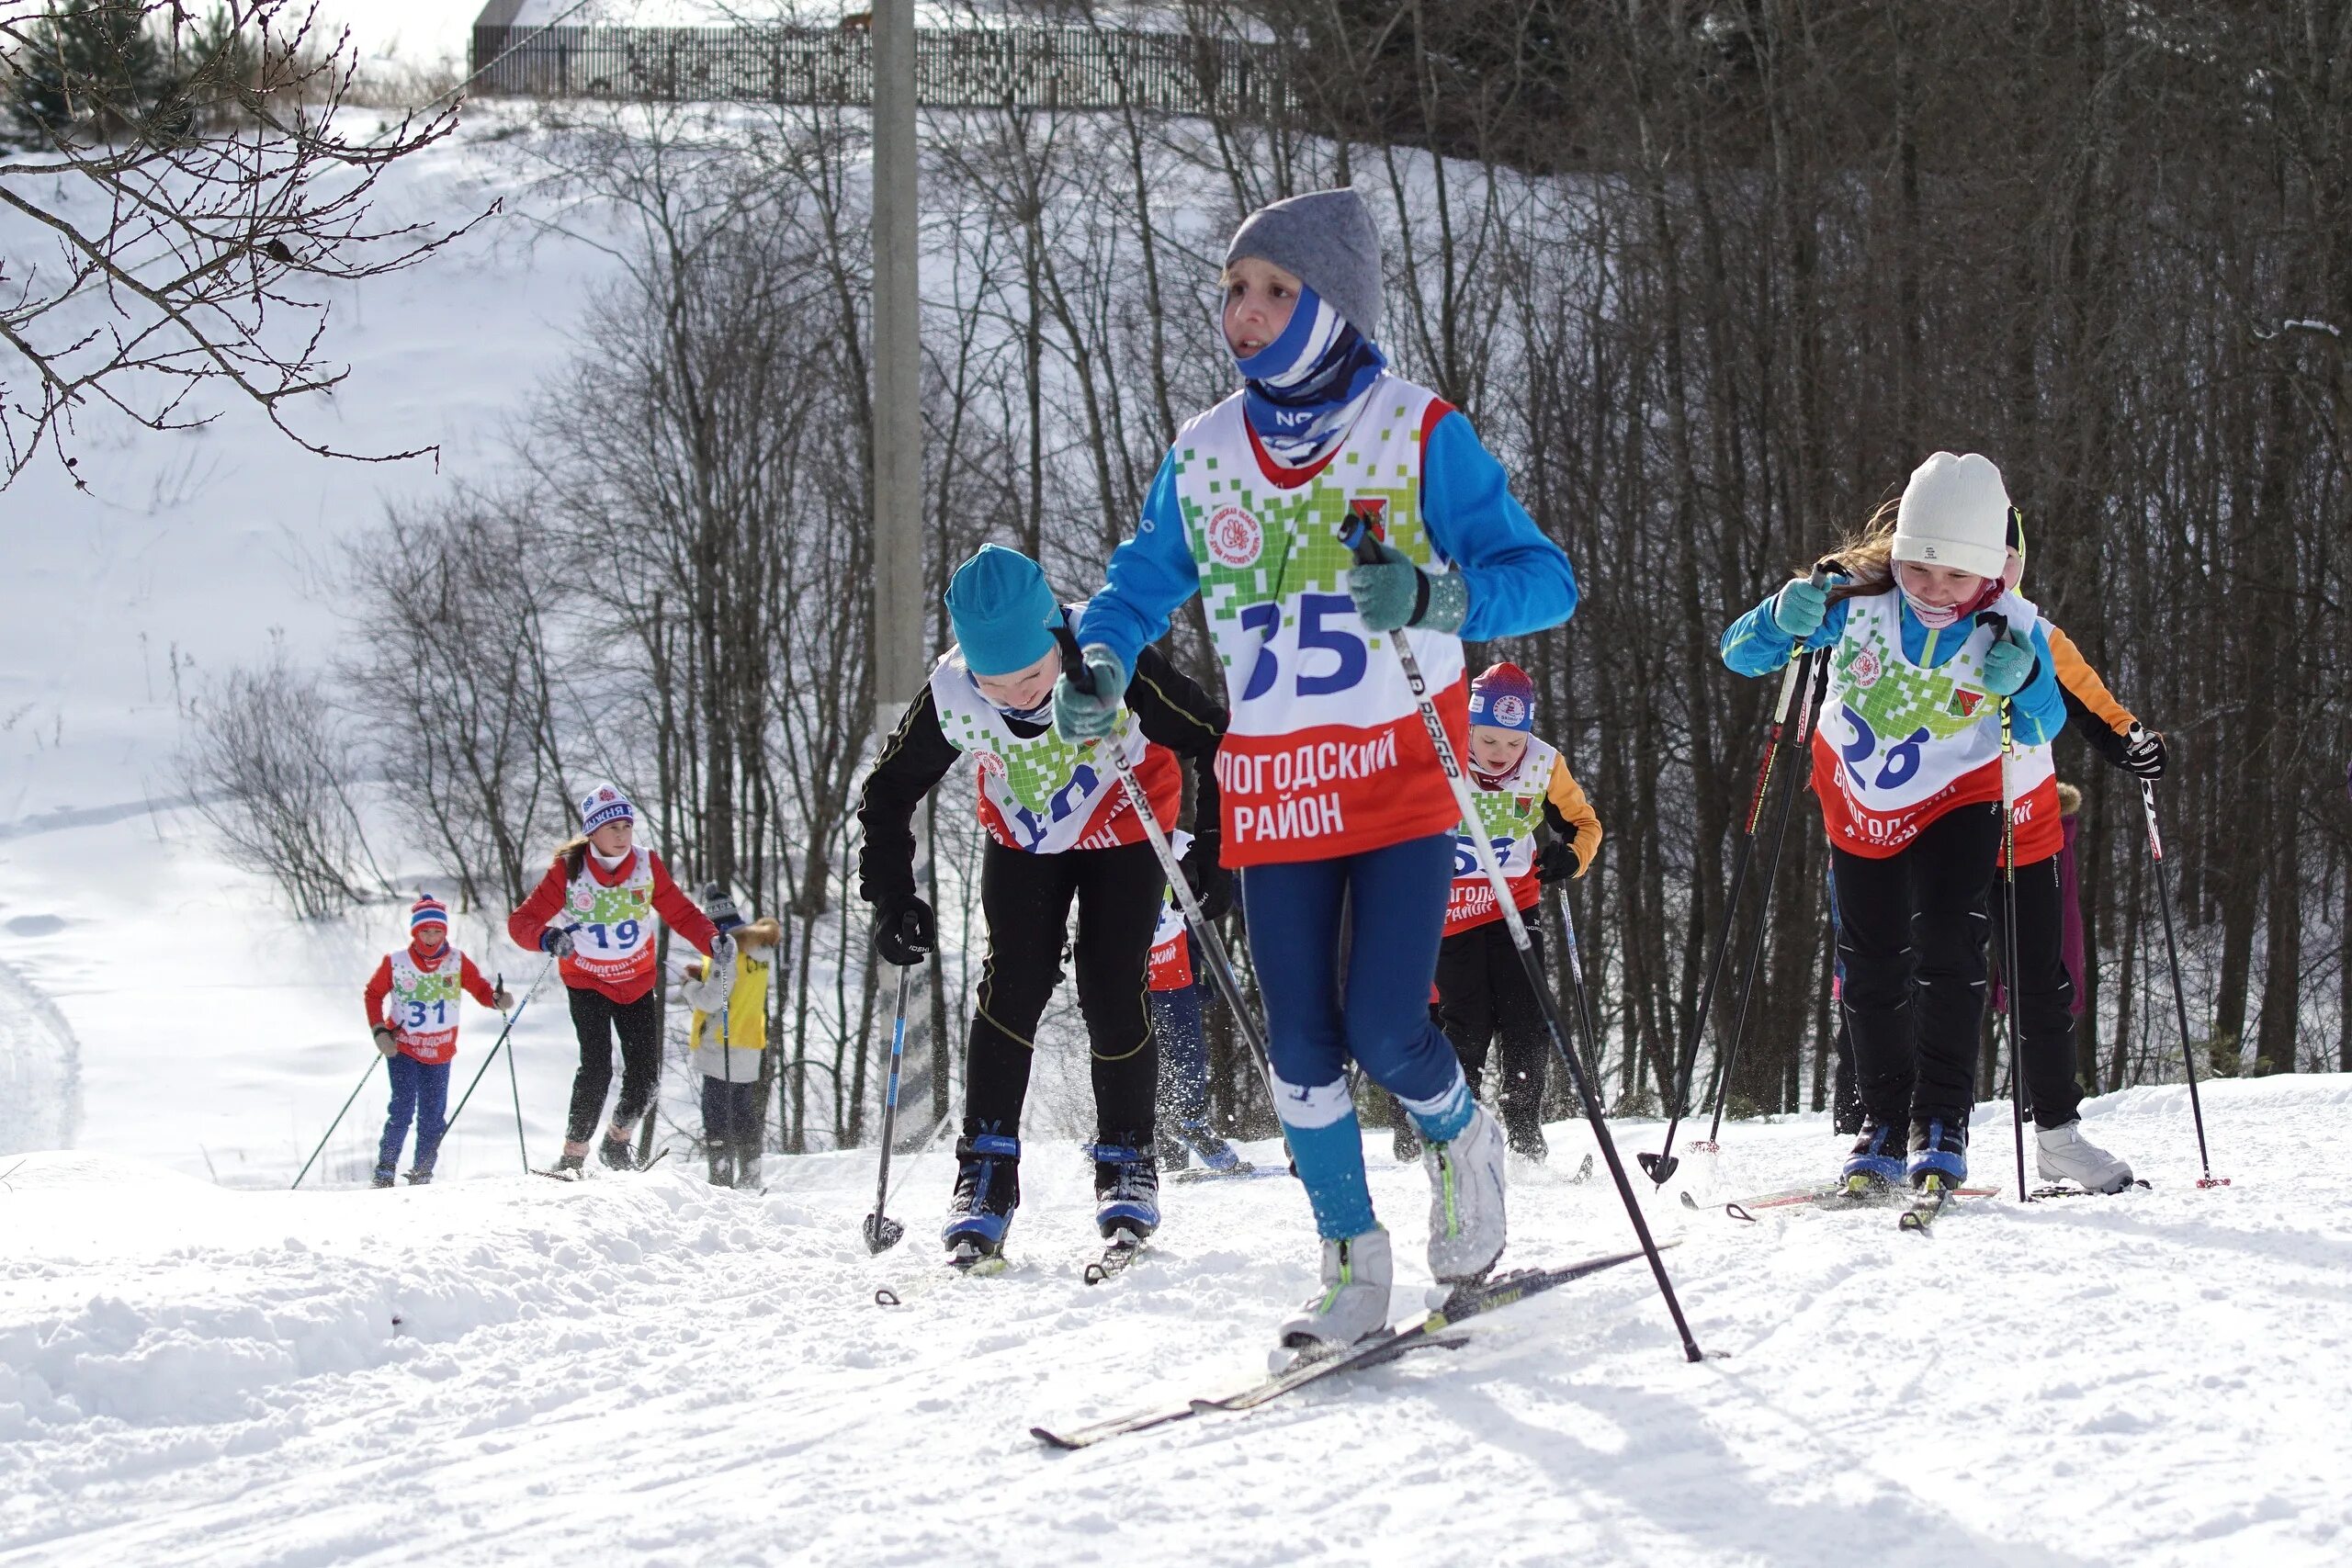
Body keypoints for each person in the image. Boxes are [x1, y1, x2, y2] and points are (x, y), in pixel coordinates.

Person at [1055, 186, 1577, 1359]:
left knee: (1389, 1028)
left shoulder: (1416, 430)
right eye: (1235, 288)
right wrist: (1097, 655)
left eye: (1275, 290)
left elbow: (1545, 579)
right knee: (1298, 1046)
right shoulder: (1203, 454)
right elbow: (1139, 582)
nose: (1244, 312)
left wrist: (1439, 596)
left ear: (1332, 304)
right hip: (1277, 788)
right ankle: (1350, 1257)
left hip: (1399, 774)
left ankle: (1463, 1142)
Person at [855, 544, 1229, 1266]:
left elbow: (1212, 734)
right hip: (1025, 837)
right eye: (996, 682)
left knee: (1112, 986)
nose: (1018, 694)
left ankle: (1126, 1160)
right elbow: (888, 791)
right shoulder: (954, 692)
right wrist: (891, 895)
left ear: (1056, 636)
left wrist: (1212, 847)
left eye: (1032, 675)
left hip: (1124, 824)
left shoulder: (1108, 655)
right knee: (1010, 986)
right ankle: (985, 1175)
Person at [1724, 451, 2064, 1191]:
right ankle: (1881, 1117)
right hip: (1861, 798)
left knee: (1949, 945)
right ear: (1900, 552)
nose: (1936, 592)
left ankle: (1941, 1117)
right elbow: (1743, 655)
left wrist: (2028, 678)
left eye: (1957, 577)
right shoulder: (1858, 601)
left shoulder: (2007, 626)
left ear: (1991, 574)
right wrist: (1782, 616)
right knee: (1871, 959)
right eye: (1921, 569)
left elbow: (2045, 722)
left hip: (1958, 797)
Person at [1427, 660, 1601, 1165]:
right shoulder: (1442, 756)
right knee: (1469, 1021)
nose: (1502, 753)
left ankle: (1525, 1128)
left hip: (1514, 905)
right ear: (1469, 728)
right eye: (1489, 740)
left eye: (1513, 741)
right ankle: (1456, 1129)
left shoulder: (1544, 763)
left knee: (1527, 1017)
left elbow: (1583, 823)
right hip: (1450, 912)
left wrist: (1571, 856)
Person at [508, 783, 727, 1178]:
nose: (623, 835)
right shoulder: (568, 870)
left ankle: (616, 1143)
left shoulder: (646, 865)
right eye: (613, 828)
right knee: (596, 1069)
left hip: (637, 982)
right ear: (592, 832)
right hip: (587, 982)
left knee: (645, 1076)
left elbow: (680, 912)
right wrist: (548, 937)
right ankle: (573, 1156)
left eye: (627, 826)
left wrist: (712, 940)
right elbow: (520, 922)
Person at [361, 894, 510, 1187]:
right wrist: (379, 1031)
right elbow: (373, 994)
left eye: (437, 931)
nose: (431, 938)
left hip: (441, 1051)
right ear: (415, 933)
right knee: (402, 1108)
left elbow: (479, 988)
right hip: (403, 1047)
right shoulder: (397, 962)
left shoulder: (456, 961)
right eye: (425, 932)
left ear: (445, 932)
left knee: (433, 1115)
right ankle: (385, 1170)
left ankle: (423, 1172)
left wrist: (495, 1000)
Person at [1147, 829, 1245, 1174]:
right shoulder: (1108, 841)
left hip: (1173, 973)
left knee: (1189, 1055)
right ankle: (1122, 1136)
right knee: (1128, 1056)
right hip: (1125, 974)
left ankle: (1190, 1123)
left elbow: (1226, 881)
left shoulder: (1181, 844)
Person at [673, 883, 783, 1189]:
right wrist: (705, 974)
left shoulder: (724, 950)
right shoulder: (760, 949)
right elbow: (736, 985)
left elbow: (712, 999)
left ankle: (720, 1179)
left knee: (717, 1115)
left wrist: (687, 984)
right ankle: (750, 1172)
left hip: (721, 1042)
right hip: (750, 1041)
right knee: (745, 1110)